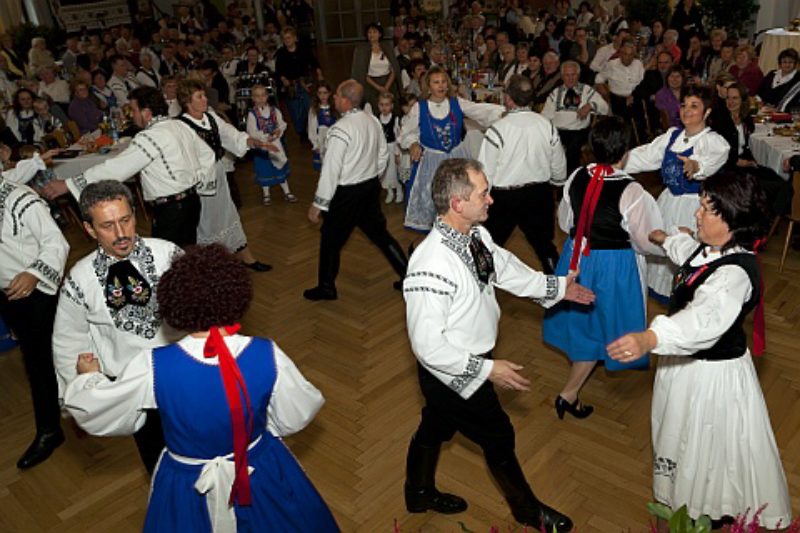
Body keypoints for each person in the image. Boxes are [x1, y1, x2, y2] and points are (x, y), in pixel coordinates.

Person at [63, 244, 339, 532]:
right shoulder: (266, 353)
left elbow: (98, 411)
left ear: (174, 302)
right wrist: (252, 425)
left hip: (186, 483)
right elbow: (298, 412)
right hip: (259, 469)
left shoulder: (153, 364)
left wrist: (88, 378)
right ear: (236, 295)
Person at [402, 158, 595, 532]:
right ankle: (527, 511)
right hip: (452, 371)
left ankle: (418, 491)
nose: (491, 200)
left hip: (468, 363)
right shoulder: (430, 264)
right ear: (458, 204)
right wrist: (488, 369)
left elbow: (503, 267)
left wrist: (556, 287)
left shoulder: (474, 235)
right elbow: (427, 346)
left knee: (436, 426)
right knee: (498, 435)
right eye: (484, 193)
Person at [607, 171, 792, 530]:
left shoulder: (734, 275)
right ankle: (681, 506)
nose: (697, 214)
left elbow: (702, 321)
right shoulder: (710, 250)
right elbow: (688, 252)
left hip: (711, 379)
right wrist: (664, 239)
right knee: (677, 438)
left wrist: (650, 338)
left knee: (704, 449)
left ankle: (698, 512)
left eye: (707, 209)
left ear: (733, 218)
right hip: (684, 369)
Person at [53, 181, 181, 473]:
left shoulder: (168, 254)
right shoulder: (80, 278)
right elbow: (68, 339)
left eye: (125, 220)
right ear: (89, 229)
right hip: (134, 390)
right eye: (108, 225)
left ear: (135, 215)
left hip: (182, 377)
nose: (121, 234)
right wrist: (76, 397)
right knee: (158, 464)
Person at [543, 117, 663, 419]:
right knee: (605, 323)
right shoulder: (632, 191)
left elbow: (566, 221)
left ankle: (571, 390)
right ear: (624, 153)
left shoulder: (577, 176)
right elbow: (644, 239)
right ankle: (568, 394)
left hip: (578, 257)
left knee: (584, 322)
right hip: (614, 265)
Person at [42, 86, 213, 248]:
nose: (132, 115)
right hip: (191, 202)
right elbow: (208, 154)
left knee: (169, 260)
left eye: (134, 110)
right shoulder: (179, 125)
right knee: (185, 255)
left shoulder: (150, 136)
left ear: (146, 113)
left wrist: (68, 184)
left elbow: (117, 168)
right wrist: (197, 180)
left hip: (172, 210)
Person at [305, 79, 407, 301]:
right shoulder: (372, 120)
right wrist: (371, 175)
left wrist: (319, 204)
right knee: (381, 235)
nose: (333, 99)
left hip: (346, 194)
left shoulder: (340, 129)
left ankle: (326, 287)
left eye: (337, 96)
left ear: (346, 100)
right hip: (369, 189)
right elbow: (383, 155)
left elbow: (331, 170)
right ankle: (408, 278)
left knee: (330, 240)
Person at [624, 86, 729, 300]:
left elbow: (709, 162)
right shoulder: (672, 136)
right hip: (668, 201)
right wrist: (618, 160)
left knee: (687, 249)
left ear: (707, 112)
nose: (687, 110)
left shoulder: (713, 141)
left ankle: (687, 294)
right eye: (684, 105)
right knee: (661, 245)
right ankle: (660, 290)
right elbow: (645, 156)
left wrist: (696, 166)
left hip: (695, 207)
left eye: (694, 106)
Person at [0, 155, 69, 469]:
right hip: (8, 293)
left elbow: (56, 242)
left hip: (33, 292)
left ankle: (50, 430)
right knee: (37, 355)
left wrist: (34, 274)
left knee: (39, 359)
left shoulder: (21, 199)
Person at [175, 79, 271, 271]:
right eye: (199, 96)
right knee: (205, 222)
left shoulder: (211, 117)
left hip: (218, 174)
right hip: (199, 182)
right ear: (187, 100)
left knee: (229, 214)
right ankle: (211, 266)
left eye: (204, 95)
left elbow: (231, 135)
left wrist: (253, 142)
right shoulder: (180, 126)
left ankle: (247, 258)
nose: (205, 100)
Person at [478, 74, 567, 275]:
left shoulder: (497, 130)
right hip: (539, 194)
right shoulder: (547, 125)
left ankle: (479, 291)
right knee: (545, 245)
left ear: (508, 98)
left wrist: (482, 200)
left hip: (504, 198)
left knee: (488, 244)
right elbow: (559, 165)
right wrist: (557, 182)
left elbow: (485, 172)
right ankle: (560, 293)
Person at [398, 66, 504, 231]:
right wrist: (413, 143)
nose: (440, 86)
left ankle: (456, 230)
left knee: (459, 196)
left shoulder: (456, 103)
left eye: (443, 82)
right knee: (434, 198)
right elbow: (406, 132)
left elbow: (479, 110)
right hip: (432, 161)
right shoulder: (420, 107)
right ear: (428, 86)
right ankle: (436, 235)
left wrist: (505, 112)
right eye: (436, 82)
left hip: (456, 158)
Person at [542, 61, 609, 176]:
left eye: (573, 74)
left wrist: (590, 105)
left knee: (572, 148)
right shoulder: (555, 93)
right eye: (567, 75)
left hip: (579, 131)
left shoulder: (587, 91)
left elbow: (605, 108)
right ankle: (552, 177)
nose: (570, 78)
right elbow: (545, 116)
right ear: (562, 76)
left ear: (578, 75)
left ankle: (569, 179)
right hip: (558, 131)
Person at [246, 84, 295, 206]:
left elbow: (282, 124)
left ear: (267, 96)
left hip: (276, 144)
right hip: (262, 147)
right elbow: (251, 131)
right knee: (264, 170)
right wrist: (264, 136)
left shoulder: (274, 110)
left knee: (280, 167)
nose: (261, 98)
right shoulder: (252, 114)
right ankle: (266, 193)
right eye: (257, 96)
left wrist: (278, 131)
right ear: (253, 98)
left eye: (263, 95)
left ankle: (287, 191)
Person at [275, 26, 322, 141]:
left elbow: (314, 62)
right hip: (290, 86)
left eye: (289, 38)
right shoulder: (281, 53)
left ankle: (310, 129)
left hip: (305, 83)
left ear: (295, 38)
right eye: (285, 38)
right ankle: (301, 132)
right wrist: (283, 79)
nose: (287, 41)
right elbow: (278, 71)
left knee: (308, 106)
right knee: (295, 111)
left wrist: (319, 74)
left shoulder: (303, 49)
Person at [351, 22, 403, 115]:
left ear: (380, 34)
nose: (371, 35)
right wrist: (378, 87)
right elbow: (362, 72)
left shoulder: (387, 47)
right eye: (369, 32)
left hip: (388, 81)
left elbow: (394, 69)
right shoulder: (361, 50)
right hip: (371, 83)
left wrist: (386, 87)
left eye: (374, 32)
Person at [308, 81, 338, 171]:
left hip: (334, 139)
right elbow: (312, 129)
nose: (323, 96)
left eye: (325, 93)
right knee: (324, 167)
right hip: (321, 140)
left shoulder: (335, 107)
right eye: (320, 93)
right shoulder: (314, 109)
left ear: (330, 93)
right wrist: (315, 144)